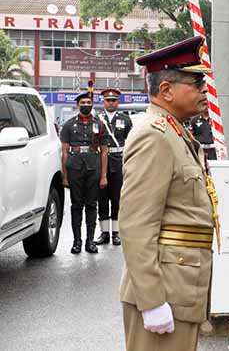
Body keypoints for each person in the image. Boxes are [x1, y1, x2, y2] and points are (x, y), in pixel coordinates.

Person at [119, 36, 216, 351]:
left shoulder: (176, 131)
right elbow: (136, 224)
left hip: (182, 287)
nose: (204, 89)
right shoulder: (154, 136)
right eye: (196, 82)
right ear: (166, 90)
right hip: (165, 291)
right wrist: (151, 300)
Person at [60, 91, 108, 254]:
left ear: (92, 105)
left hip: (94, 168)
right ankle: (77, 242)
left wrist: (103, 175)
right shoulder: (69, 125)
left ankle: (90, 241)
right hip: (75, 169)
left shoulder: (99, 125)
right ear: (77, 105)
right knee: (76, 206)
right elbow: (65, 152)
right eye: (83, 103)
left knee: (92, 205)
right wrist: (65, 176)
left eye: (88, 103)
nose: (86, 105)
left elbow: (104, 152)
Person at [95, 88, 133, 246]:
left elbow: (131, 141)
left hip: (118, 160)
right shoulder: (96, 118)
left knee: (117, 198)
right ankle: (104, 232)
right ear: (102, 102)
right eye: (108, 100)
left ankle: (116, 232)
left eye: (114, 100)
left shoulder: (125, 119)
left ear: (118, 102)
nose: (111, 103)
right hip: (100, 161)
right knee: (102, 198)